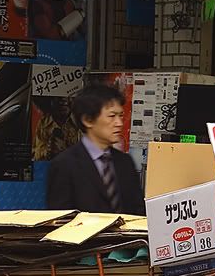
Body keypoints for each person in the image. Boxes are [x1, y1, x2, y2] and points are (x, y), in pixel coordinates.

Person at [46, 85, 145, 216]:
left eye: (120, 116)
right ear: (88, 120)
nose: (119, 123)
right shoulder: (65, 165)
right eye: (111, 116)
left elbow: (138, 211)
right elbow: (59, 218)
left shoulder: (125, 162)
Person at [32, 95, 79, 161]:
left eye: (69, 97)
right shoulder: (44, 122)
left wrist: (64, 150)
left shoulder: (81, 122)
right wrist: (47, 150)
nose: (63, 100)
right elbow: (35, 154)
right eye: (58, 97)